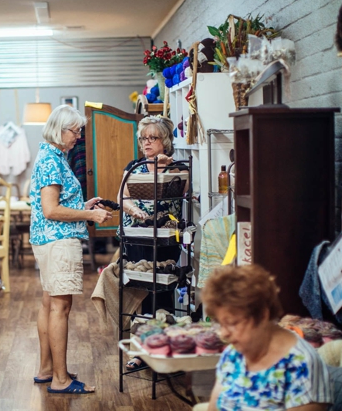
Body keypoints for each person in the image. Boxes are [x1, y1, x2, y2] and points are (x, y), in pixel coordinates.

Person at [30, 104, 112, 394]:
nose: (78, 136)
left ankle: (46, 370)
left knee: (48, 304)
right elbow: (51, 210)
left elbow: (56, 204)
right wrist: (90, 216)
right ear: (59, 129)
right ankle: (61, 380)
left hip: (48, 239)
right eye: (75, 131)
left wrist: (83, 206)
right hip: (58, 240)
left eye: (79, 130)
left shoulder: (51, 156)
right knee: (60, 307)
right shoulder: (52, 160)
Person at [201, 264, 332, 411]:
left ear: (263, 315)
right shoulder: (233, 354)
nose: (223, 333)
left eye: (232, 323)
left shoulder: (301, 364)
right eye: (220, 323)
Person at [118, 115, 188, 370]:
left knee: (164, 293)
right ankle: (139, 351)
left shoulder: (177, 169)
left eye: (152, 137)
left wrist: (162, 165)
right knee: (141, 295)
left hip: (166, 240)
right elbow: (123, 197)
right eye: (143, 138)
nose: (146, 143)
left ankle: (163, 348)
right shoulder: (133, 167)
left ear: (165, 141)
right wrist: (135, 211)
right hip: (138, 237)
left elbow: (183, 191)